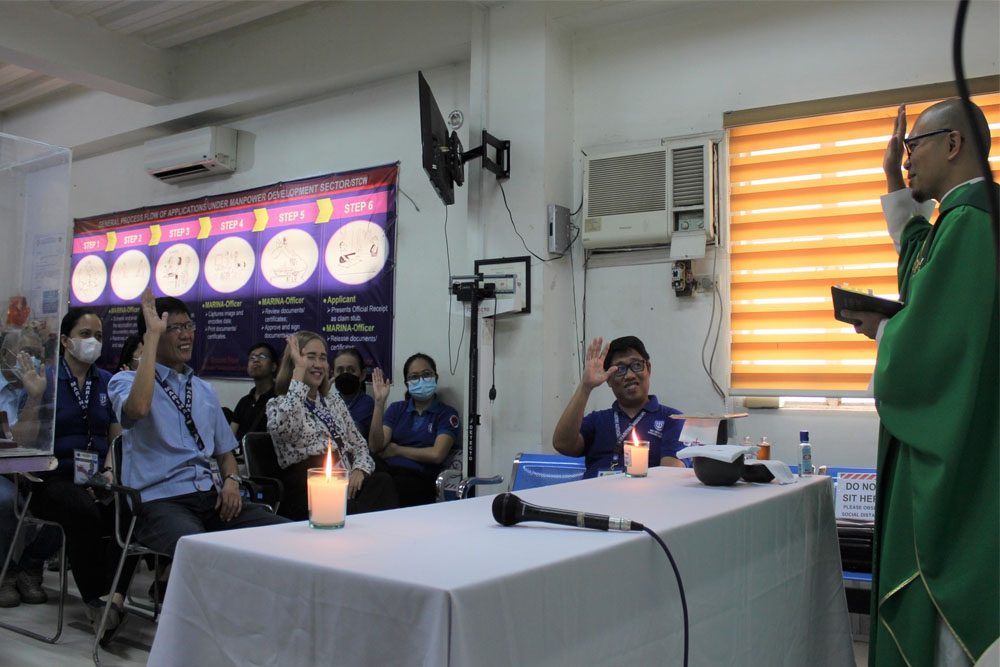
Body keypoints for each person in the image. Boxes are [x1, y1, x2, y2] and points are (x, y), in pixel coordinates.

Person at [842, 101, 997, 667]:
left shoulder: (975, 222)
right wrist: (889, 178)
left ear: (953, 144)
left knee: (949, 638)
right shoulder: (956, 222)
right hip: (967, 442)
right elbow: (920, 265)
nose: (906, 160)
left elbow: (930, 350)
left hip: (966, 463)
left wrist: (887, 332)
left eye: (913, 149)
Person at [107, 289, 288, 560]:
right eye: (174, 328)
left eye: (189, 326)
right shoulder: (124, 382)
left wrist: (231, 481)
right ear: (151, 335)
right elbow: (138, 409)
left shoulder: (204, 390)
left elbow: (225, 454)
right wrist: (152, 338)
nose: (186, 335)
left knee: (285, 533)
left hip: (210, 497)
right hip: (159, 503)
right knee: (203, 551)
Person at [15, 308, 139, 643]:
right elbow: (24, 441)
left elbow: (115, 435)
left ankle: (115, 598)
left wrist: (110, 469)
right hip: (52, 480)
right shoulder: (47, 379)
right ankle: (95, 601)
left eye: (98, 336)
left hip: (96, 479)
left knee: (129, 511)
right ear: (67, 341)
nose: (93, 342)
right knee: (81, 510)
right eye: (85, 335)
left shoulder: (106, 381)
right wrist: (35, 398)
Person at [266, 332, 396, 521]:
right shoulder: (278, 404)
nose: (319, 364)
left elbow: (359, 445)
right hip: (309, 486)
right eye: (310, 357)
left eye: (323, 358)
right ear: (294, 362)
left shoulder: (334, 402)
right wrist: (298, 375)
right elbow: (286, 431)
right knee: (356, 509)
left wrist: (359, 470)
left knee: (382, 482)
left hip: (345, 478)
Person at [552, 336, 685, 478]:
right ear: (608, 379)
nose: (629, 375)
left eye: (637, 365)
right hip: (593, 497)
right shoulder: (597, 420)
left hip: (645, 498)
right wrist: (585, 387)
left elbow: (670, 475)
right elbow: (562, 444)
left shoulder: (673, 419)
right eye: (620, 369)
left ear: (648, 369)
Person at [0, 329, 59, 609]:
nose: (33, 361)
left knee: (70, 497)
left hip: (29, 469)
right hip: (2, 472)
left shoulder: (42, 388)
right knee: (7, 501)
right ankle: (4, 571)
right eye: (27, 353)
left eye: (38, 355)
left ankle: (28, 566)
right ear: (5, 355)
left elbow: (31, 441)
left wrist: (35, 397)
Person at [369, 353, 460, 507]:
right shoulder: (397, 409)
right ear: (407, 383)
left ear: (436, 378)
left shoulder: (446, 414)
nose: (421, 380)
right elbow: (376, 446)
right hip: (388, 472)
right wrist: (379, 403)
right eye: (414, 377)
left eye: (426, 374)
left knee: (386, 486)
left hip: (419, 478)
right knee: (370, 477)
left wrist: (397, 450)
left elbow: (437, 454)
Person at [229, 342, 278, 442]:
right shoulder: (244, 401)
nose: (256, 360)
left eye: (262, 356)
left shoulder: (279, 400)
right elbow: (229, 438)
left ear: (273, 366)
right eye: (252, 357)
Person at [331, 347, 374, 438]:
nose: (345, 374)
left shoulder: (368, 404)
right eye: (340, 370)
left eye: (351, 370)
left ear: (362, 375)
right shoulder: (328, 401)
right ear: (333, 374)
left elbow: (354, 434)